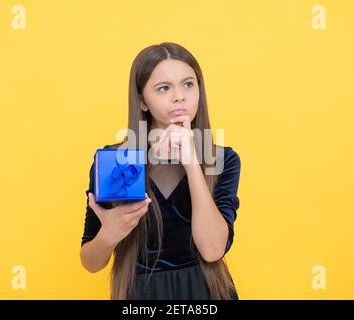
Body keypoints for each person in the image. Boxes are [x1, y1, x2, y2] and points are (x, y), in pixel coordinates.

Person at [80, 42, 241, 300]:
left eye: (188, 84)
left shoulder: (222, 159)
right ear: (142, 101)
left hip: (206, 293)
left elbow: (212, 250)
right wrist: (108, 235)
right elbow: (90, 262)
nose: (180, 96)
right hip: (141, 296)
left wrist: (191, 161)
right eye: (164, 88)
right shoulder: (116, 161)